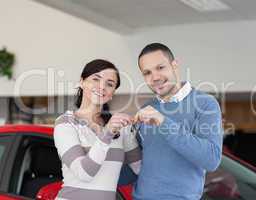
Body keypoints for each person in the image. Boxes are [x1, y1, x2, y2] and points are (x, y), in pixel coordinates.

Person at [133, 43, 223, 200]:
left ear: (174, 65)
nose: (155, 77)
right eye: (147, 73)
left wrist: (163, 122)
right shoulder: (147, 108)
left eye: (160, 68)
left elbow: (211, 160)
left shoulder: (205, 104)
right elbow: (138, 163)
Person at [53, 59, 141, 200]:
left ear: (112, 93)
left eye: (109, 84)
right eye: (96, 79)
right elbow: (84, 173)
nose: (102, 87)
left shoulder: (121, 128)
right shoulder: (65, 123)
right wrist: (107, 133)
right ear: (81, 82)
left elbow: (141, 169)